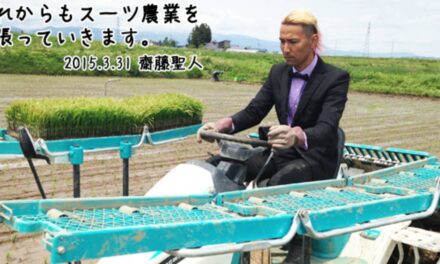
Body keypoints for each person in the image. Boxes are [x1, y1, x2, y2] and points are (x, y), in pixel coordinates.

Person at [198, 9, 349, 187]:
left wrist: (297, 136)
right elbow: (255, 111)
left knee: (274, 187)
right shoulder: (278, 72)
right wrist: (223, 125)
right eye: (282, 41)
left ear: (313, 40)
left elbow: (327, 127)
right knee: (219, 168)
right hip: (280, 152)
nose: (286, 49)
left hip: (314, 157)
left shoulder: (335, 78)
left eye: (293, 42)